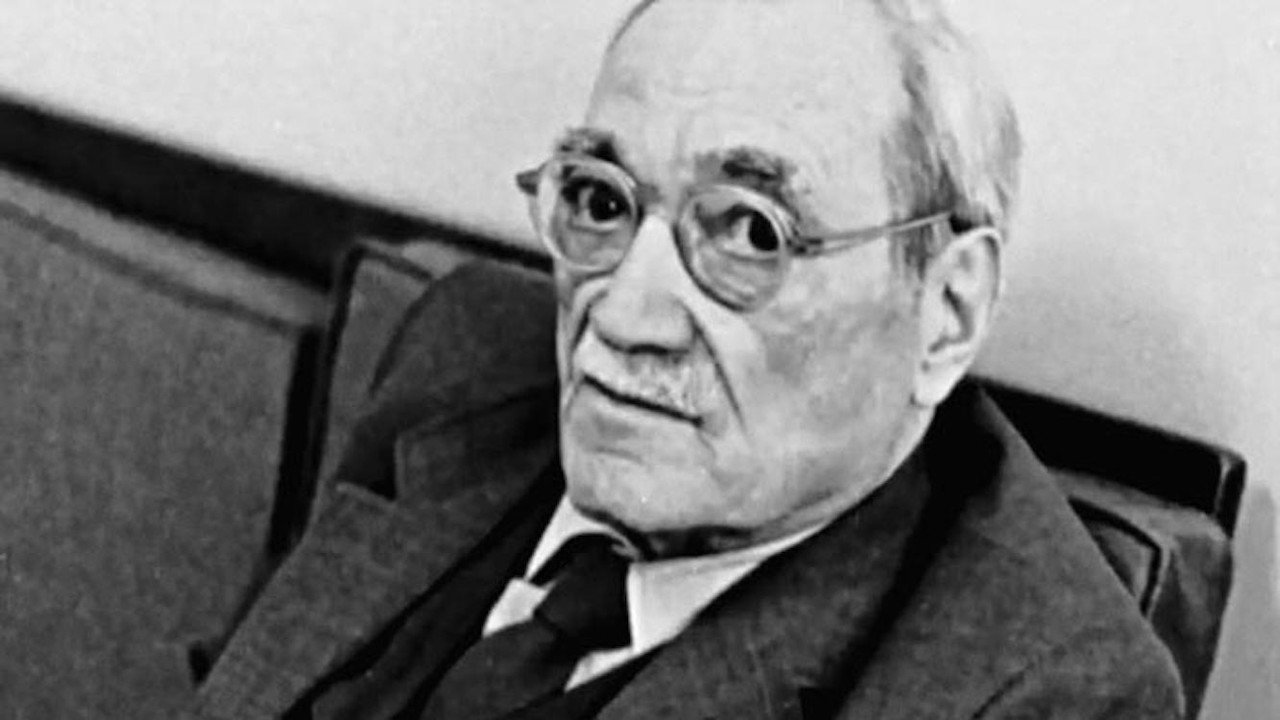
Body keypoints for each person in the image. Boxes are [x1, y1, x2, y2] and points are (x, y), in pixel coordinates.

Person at [189, 0, 1185, 717]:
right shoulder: (465, 353)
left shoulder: (1034, 688)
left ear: (945, 312)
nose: (624, 316)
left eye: (750, 232)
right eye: (601, 201)